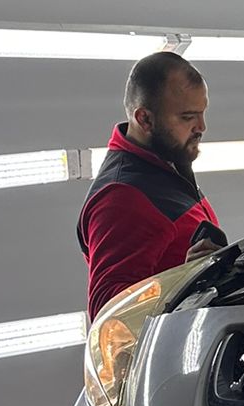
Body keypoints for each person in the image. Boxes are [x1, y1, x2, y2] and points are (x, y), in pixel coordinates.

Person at [78, 50, 227, 321]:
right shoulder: (122, 198)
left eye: (202, 113)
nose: (202, 127)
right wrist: (183, 279)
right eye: (188, 117)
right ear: (145, 119)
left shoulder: (166, 162)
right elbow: (106, 309)